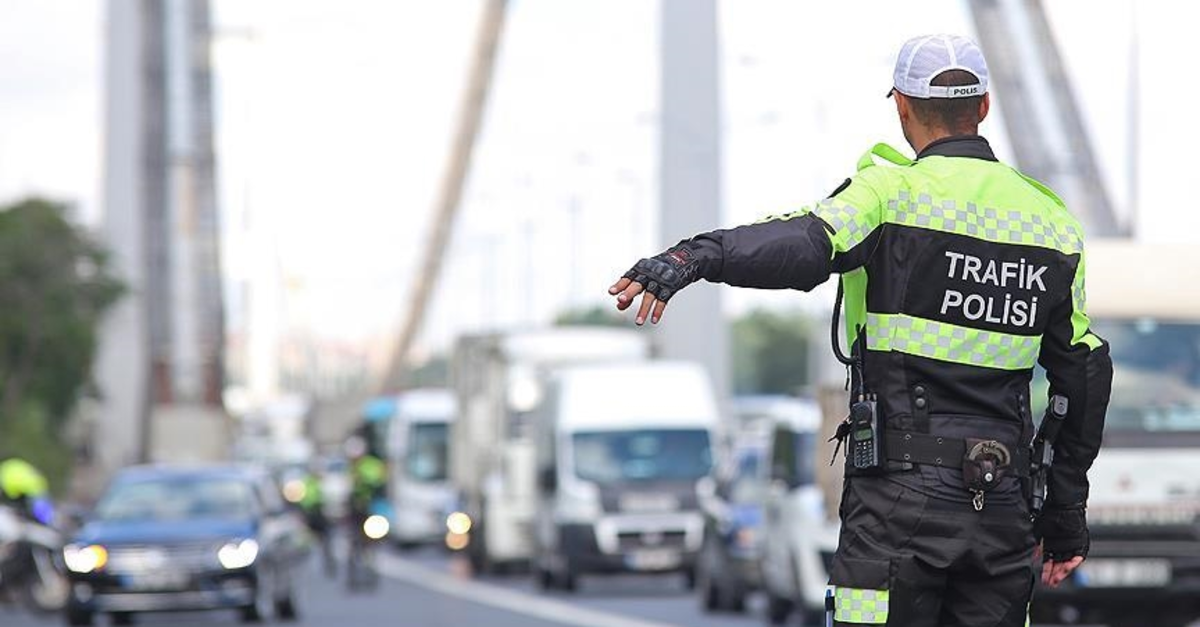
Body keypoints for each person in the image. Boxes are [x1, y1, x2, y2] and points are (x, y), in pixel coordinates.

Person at [607, 34, 1112, 627]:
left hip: (898, 506)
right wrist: (1064, 515)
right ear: (983, 107)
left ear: (901, 105)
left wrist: (694, 257)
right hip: (1000, 502)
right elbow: (1083, 374)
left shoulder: (888, 195)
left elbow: (801, 244)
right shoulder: (1052, 224)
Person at [0, 457, 53, 524]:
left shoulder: (4, 470)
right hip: (39, 485)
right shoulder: (13, 464)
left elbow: (10, 491)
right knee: (43, 514)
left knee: (36, 510)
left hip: (28, 490)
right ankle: (44, 521)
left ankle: (37, 520)